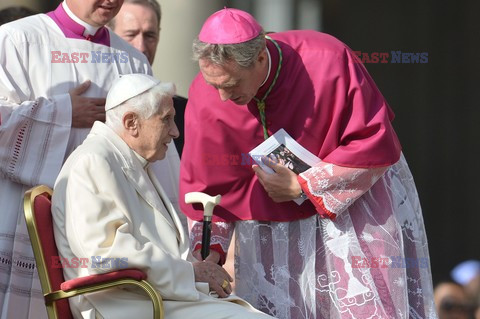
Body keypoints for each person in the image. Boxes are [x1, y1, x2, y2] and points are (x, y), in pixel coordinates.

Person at [179, 7, 437, 319]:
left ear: (260, 57)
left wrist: (304, 185)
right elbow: (208, 192)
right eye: (213, 84)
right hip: (270, 233)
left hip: (348, 218)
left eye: (231, 85)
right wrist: (209, 255)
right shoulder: (205, 94)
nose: (220, 97)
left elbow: (373, 141)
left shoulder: (327, 58)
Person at [0, 1, 177, 317]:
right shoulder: (16, 40)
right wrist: (63, 113)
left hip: (107, 231)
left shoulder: (132, 60)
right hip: (23, 215)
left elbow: (158, 156)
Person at [51, 73, 275, 319]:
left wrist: (194, 271)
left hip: (152, 296)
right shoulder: (93, 161)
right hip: (123, 304)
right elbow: (104, 255)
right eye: (166, 120)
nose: (176, 132)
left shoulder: (126, 160)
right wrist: (191, 273)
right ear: (131, 123)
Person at [108, 0, 188, 156]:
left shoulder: (183, 112)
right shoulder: (94, 109)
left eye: (149, 35)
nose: (141, 47)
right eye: (131, 35)